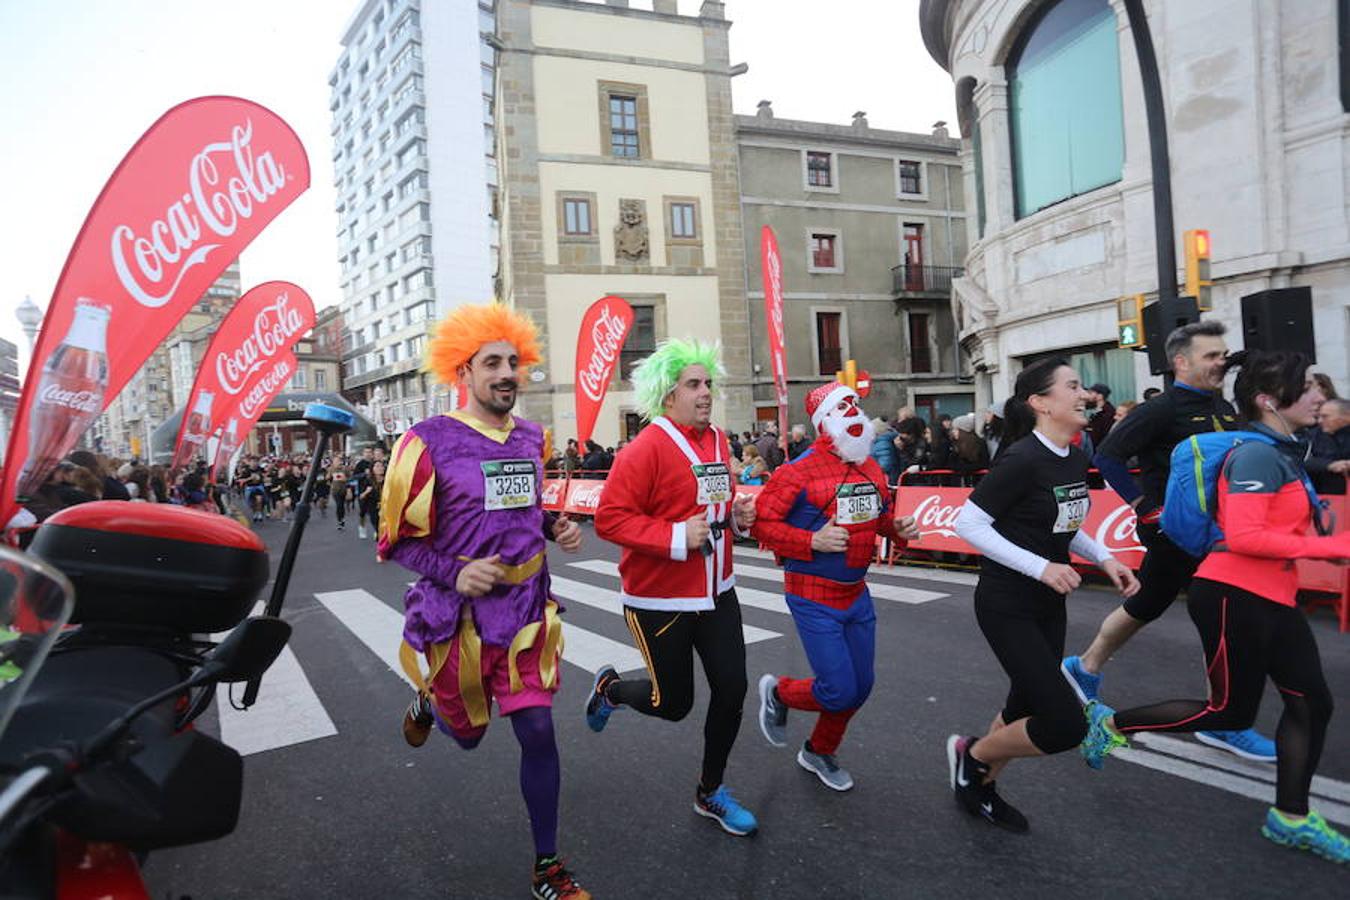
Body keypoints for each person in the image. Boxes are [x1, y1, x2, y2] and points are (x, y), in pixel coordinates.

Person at [1080, 350, 1349, 865]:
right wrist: (1337, 548)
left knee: (1313, 704)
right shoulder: (1254, 455)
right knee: (1227, 711)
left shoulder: (1282, 450)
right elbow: (1246, 536)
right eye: (1309, 388)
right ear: (1271, 401)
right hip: (1233, 595)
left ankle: (1290, 818)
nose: (1321, 397)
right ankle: (1112, 726)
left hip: (1274, 596)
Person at [379, 303, 591, 899]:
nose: (506, 373)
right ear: (463, 372)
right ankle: (430, 706)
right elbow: (395, 541)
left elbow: (522, 509)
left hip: (525, 615)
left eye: (513, 362)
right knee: (466, 734)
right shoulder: (425, 443)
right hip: (459, 623)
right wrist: (455, 571)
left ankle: (547, 866)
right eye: (491, 362)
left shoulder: (530, 437)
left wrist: (554, 528)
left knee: (539, 731)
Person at [1060, 321, 1277, 762]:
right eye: (1211, 356)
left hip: (1216, 532)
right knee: (1210, 614)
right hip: (1174, 531)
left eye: (1223, 354)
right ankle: (1227, 720)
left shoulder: (1224, 405)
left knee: (1155, 604)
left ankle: (1083, 667)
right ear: (1181, 362)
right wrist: (1145, 506)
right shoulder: (1162, 409)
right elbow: (1108, 456)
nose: (1221, 362)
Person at [946, 357, 1140, 832]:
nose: (1084, 394)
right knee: (1064, 725)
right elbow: (967, 524)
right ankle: (969, 755)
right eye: (1072, 386)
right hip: (1006, 603)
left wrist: (1105, 557)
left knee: (1023, 707)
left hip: (1048, 604)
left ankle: (980, 785)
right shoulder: (1020, 458)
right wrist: (1041, 567)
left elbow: (1063, 524)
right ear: (1040, 403)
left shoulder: (1074, 454)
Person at [586, 338, 760, 837]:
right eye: (694, 385)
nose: (706, 392)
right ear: (668, 395)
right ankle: (610, 690)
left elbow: (717, 503)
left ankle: (710, 791)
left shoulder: (719, 441)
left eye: (708, 383)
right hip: (659, 600)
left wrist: (740, 515)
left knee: (733, 688)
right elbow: (611, 519)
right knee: (674, 704)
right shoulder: (644, 449)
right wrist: (675, 535)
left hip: (717, 591)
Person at [752, 382, 920, 792]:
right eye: (842, 407)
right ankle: (779, 692)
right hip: (812, 594)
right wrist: (812, 541)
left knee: (860, 687)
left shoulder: (871, 467)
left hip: (856, 593)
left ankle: (818, 750)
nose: (853, 413)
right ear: (824, 420)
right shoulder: (797, 470)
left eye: (855, 406)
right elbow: (760, 524)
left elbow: (878, 519)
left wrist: (896, 531)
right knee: (839, 689)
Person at [1306, 396, 1350, 494]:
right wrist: (1329, 465)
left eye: (1325, 416)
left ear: (1347, 416)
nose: (1319, 421)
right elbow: (1300, 461)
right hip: (1324, 496)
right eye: (1319, 417)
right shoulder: (1312, 436)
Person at [869, 417, 900, 485]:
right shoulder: (880, 442)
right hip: (886, 476)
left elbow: (885, 464)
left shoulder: (882, 442)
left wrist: (873, 471)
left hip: (886, 478)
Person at [1085, 383, 1115, 448]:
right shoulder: (1096, 411)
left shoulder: (1108, 413)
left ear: (1100, 396)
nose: (1088, 396)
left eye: (1091, 393)